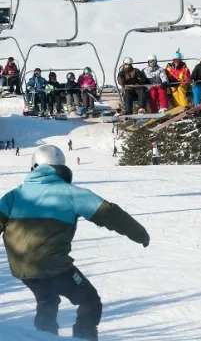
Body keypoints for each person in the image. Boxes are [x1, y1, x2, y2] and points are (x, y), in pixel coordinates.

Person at [0, 145, 149, 341]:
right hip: (54, 267)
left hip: (22, 268)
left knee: (47, 299)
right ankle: (83, 338)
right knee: (89, 301)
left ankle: (44, 337)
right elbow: (110, 213)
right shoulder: (72, 193)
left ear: (34, 168)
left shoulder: (14, 195)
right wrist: (138, 233)